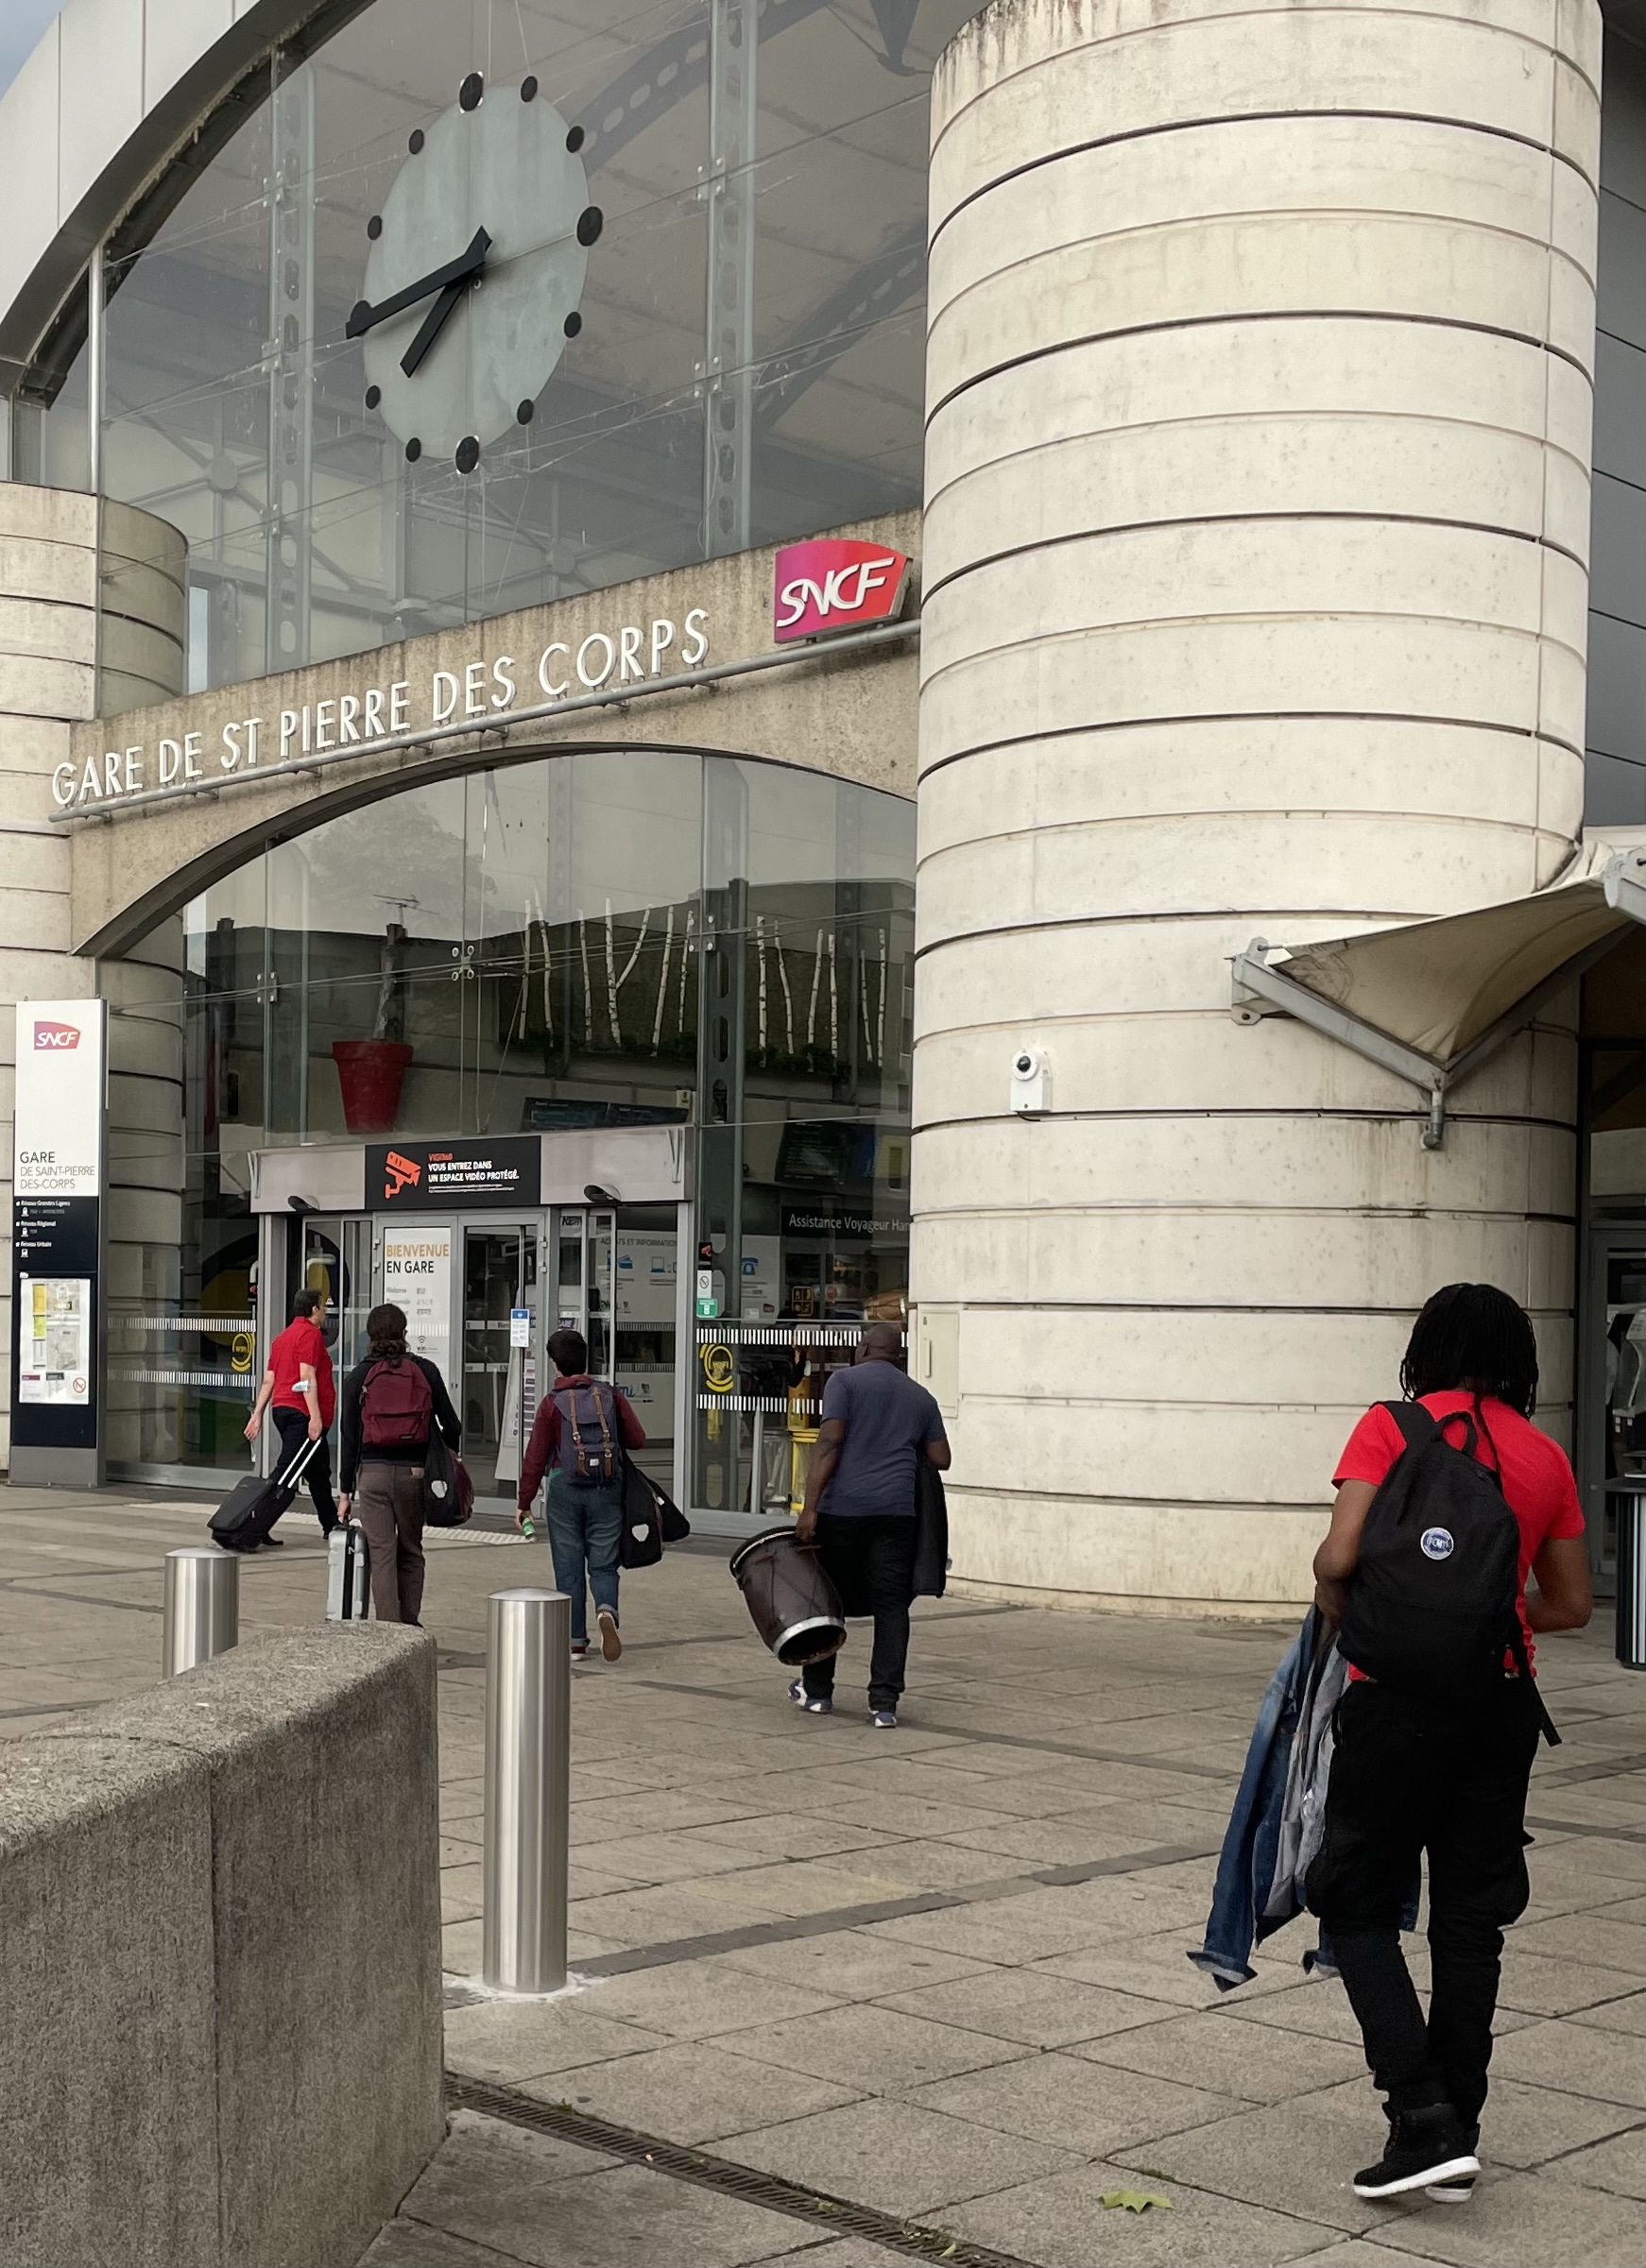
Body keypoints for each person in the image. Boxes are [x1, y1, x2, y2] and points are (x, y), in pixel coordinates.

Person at [1307, 1283, 1592, 2202]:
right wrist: (1491, 1614)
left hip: (1392, 1704)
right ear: (1519, 1362)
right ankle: (1456, 2127)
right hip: (1498, 1708)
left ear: (1423, 1350)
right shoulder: (1544, 1455)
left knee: (1353, 1903)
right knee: (1470, 1922)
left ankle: (1420, 2114)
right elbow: (1571, 1604)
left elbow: (1337, 1556)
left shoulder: (1390, 1427)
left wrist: (1350, 1611)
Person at [792, 1320, 950, 1728]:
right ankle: (884, 1703)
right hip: (896, 1512)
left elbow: (830, 1441)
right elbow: (941, 1458)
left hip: (843, 1509)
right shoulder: (921, 1396)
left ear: (863, 1349)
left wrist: (809, 1508)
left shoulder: (843, 1383)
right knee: (892, 1606)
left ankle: (818, 1693)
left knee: (826, 1600)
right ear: (898, 1355)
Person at [517, 1328, 645, 1663]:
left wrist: (524, 1503)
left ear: (555, 1365)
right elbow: (638, 1439)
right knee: (604, 1562)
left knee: (568, 1565)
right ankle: (606, 1610)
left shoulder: (551, 1403)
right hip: (606, 1488)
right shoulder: (610, 1396)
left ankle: (575, 1641)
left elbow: (535, 1458)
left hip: (565, 1489)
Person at [336, 1303, 460, 1626]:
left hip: (372, 1476)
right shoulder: (425, 1370)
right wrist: (447, 1455)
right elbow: (452, 1425)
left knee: (381, 1555)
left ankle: (388, 1630)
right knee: (411, 1550)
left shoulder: (357, 1377)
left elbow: (349, 1440)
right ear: (405, 1333)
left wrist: (346, 1491)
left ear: (369, 1336)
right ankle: (410, 1626)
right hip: (413, 1474)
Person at [243, 1286, 337, 1540]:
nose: (325, 1312)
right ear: (314, 1309)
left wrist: (258, 1414)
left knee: (318, 1473)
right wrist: (315, 1417)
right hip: (301, 1414)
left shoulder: (282, 1338)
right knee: (286, 1472)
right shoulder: (310, 1335)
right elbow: (306, 1377)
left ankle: (332, 1526)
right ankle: (252, 1525)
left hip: (283, 1410)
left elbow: (269, 1380)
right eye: (323, 1307)